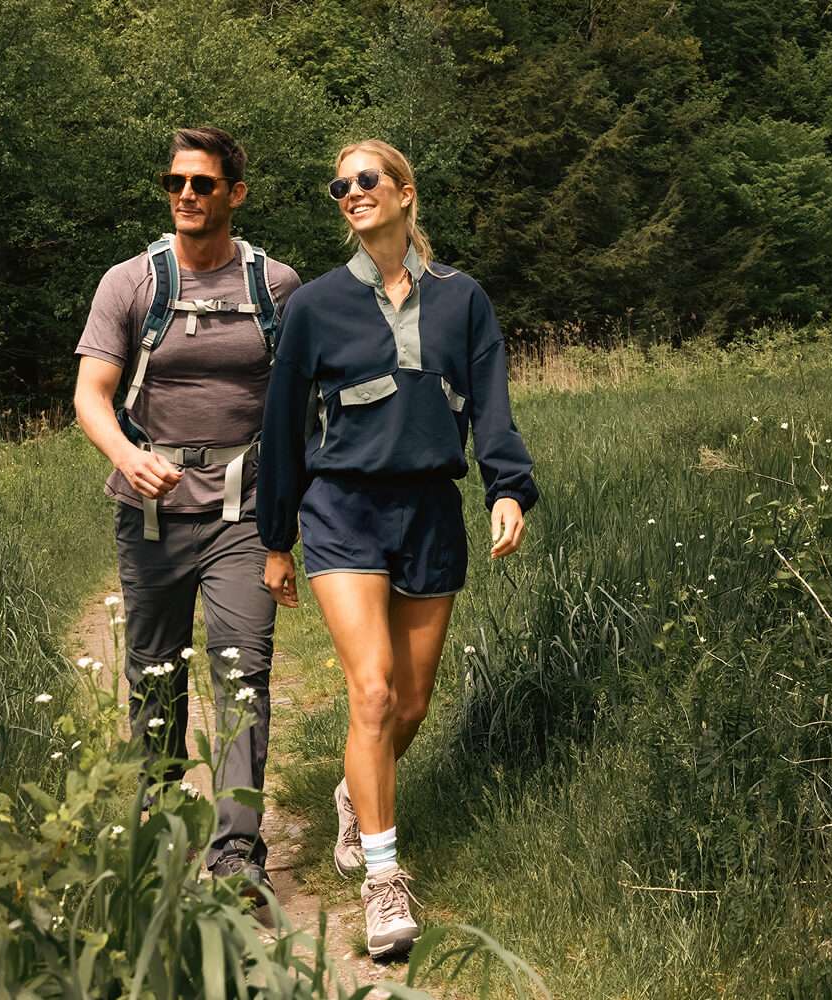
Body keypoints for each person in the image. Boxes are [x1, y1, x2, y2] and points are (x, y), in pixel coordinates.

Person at [257, 139, 538, 959]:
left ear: (406, 192)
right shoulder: (312, 306)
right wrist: (278, 538)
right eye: (338, 184)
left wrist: (508, 488)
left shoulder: (464, 300)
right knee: (372, 693)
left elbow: (491, 407)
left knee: (409, 706)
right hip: (342, 510)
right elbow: (283, 430)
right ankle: (383, 878)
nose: (350, 192)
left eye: (365, 179)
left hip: (429, 515)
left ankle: (356, 791)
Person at [73, 126, 301, 896]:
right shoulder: (130, 283)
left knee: (244, 674)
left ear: (235, 193)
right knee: (155, 677)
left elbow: (302, 405)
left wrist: (291, 519)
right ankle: (163, 832)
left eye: (203, 184)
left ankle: (237, 853)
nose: (187, 196)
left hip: (242, 515)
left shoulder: (277, 287)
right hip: (149, 518)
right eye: (176, 183)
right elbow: (90, 396)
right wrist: (124, 455)